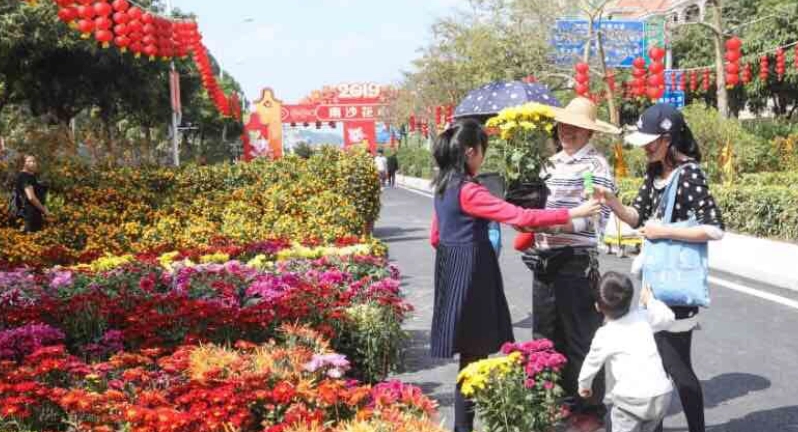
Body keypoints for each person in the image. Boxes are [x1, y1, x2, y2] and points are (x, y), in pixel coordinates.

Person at [429, 119, 602, 432]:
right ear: (470, 152)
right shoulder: (470, 190)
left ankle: (463, 426)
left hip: (451, 273)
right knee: (475, 357)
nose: (483, 156)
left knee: (470, 356)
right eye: (482, 150)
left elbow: (435, 237)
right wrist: (573, 212)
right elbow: (520, 216)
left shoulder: (443, 185)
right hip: (473, 275)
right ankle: (468, 426)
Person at [595, 104, 725, 432]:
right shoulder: (654, 174)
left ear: (668, 139)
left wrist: (664, 230)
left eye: (650, 142)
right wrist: (611, 201)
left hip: (678, 289)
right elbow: (636, 216)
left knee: (677, 367)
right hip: (656, 284)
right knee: (662, 368)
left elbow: (714, 228)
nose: (644, 148)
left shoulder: (690, 173)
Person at [519, 97, 621, 432]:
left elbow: (595, 220)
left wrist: (553, 224)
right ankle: (554, 403)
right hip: (545, 259)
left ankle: (589, 410)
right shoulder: (550, 163)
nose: (568, 131)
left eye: (575, 127)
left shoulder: (595, 167)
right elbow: (536, 206)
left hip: (576, 262)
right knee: (545, 336)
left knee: (582, 340)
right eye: (564, 125)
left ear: (588, 132)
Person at [579, 272, 675, 432]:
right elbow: (668, 317)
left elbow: (591, 364)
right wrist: (650, 300)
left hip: (630, 401)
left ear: (597, 306)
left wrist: (584, 386)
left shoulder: (605, 334)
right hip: (662, 395)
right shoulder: (642, 316)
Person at [15, 155, 48, 233]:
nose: (33, 163)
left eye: (34, 161)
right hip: (29, 215)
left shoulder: (31, 177)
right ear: (24, 164)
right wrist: (44, 210)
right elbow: (31, 197)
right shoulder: (24, 176)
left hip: (34, 214)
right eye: (30, 161)